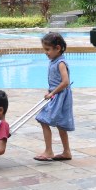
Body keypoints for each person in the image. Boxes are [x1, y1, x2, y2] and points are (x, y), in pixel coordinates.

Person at [34, 32, 74, 161]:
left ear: (58, 48)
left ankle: (49, 151)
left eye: (48, 50)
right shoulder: (54, 60)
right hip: (56, 95)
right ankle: (66, 152)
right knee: (59, 124)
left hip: (60, 96)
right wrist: (50, 91)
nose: (46, 52)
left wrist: (52, 92)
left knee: (43, 119)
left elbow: (65, 82)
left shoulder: (60, 63)